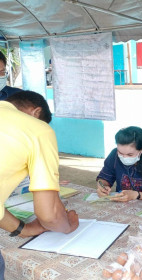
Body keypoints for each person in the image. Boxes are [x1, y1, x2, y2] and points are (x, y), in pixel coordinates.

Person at [0, 91, 79, 279]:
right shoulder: (39, 129)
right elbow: (49, 214)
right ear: (36, 113)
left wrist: (24, 229)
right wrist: (68, 226)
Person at [96, 126, 142, 202]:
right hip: (121, 202)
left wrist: (136, 195)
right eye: (120, 153)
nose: (124, 157)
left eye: (130, 155)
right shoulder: (114, 154)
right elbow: (104, 177)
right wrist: (102, 186)